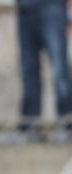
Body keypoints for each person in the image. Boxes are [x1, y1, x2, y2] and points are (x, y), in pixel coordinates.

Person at [16, 0, 72, 141]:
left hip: (52, 8)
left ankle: (67, 125)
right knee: (29, 72)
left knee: (60, 71)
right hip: (25, 9)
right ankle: (30, 125)